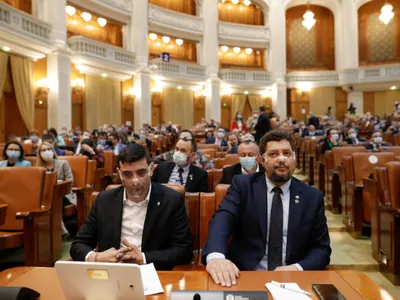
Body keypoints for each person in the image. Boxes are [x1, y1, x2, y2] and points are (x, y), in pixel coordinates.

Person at [202, 130, 331, 286]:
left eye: (287, 153)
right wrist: (216, 257)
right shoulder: (243, 186)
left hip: (292, 281)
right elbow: (223, 218)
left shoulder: (312, 196)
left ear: (294, 159)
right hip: (245, 276)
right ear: (261, 160)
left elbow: (321, 249)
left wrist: (297, 268)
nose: (282, 159)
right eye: (273, 154)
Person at [70, 143, 193, 270]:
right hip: (111, 272)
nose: (135, 181)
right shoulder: (104, 200)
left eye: (141, 173)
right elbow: (78, 245)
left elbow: (184, 250)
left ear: (151, 169)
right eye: (128, 174)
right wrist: (97, 257)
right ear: (119, 173)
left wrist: (143, 258)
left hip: (153, 272)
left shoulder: (171, 200)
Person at [36, 142, 74, 236]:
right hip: (45, 195)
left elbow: (70, 181)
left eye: (49, 149)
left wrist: (59, 183)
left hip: (64, 194)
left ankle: (58, 230)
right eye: (43, 150)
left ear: (53, 151)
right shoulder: (38, 168)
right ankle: (56, 230)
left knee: (53, 199)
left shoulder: (63, 163)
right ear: (39, 154)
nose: (47, 152)